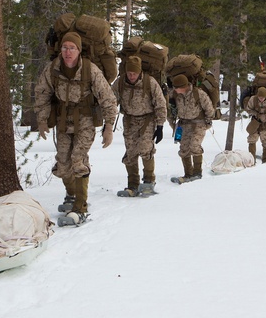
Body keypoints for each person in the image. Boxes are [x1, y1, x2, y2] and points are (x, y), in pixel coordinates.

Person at [35, 31, 118, 224]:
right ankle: (71, 195)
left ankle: (80, 207)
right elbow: (42, 93)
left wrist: (108, 127)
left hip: (85, 121)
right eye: (65, 47)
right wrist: (41, 120)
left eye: (72, 48)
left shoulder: (90, 70)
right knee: (63, 165)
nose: (68, 52)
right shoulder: (53, 69)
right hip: (63, 121)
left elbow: (108, 99)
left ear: (79, 51)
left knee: (77, 160)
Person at [113, 55, 168, 196]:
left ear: (139, 72)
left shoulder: (149, 82)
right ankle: (132, 184)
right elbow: (111, 100)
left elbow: (160, 104)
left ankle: (149, 181)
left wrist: (160, 126)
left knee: (145, 148)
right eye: (129, 73)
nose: (131, 76)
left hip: (147, 120)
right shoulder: (120, 83)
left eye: (134, 73)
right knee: (130, 152)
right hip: (129, 120)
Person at [168, 73, 214, 182]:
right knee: (184, 148)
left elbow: (209, 108)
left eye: (176, 88)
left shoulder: (199, 94)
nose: (175, 90)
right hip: (183, 124)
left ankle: (197, 173)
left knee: (194, 146)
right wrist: (173, 124)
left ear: (183, 87)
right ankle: (188, 174)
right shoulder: (174, 95)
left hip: (198, 123)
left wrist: (208, 121)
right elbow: (170, 111)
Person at [245, 86, 266, 163]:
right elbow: (248, 109)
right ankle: (252, 159)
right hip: (255, 122)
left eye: (262, 97)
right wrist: (256, 114)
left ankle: (265, 159)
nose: (261, 99)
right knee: (251, 139)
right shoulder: (253, 99)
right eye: (259, 97)